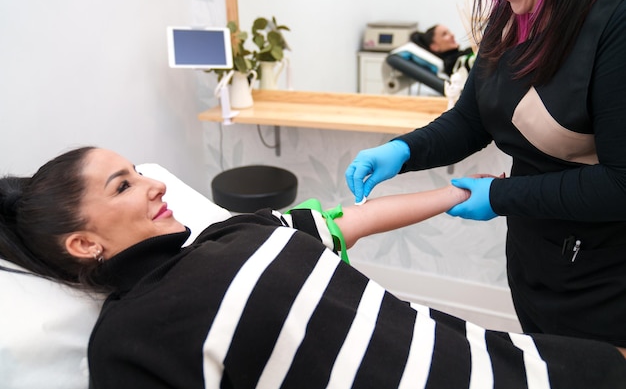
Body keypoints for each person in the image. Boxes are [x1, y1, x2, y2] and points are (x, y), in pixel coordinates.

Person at [1, 147, 625, 389]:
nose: (153, 185)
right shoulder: (128, 339)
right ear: (84, 244)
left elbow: (353, 221)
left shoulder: (232, 231)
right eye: (124, 186)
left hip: (507, 361)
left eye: (138, 172)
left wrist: (463, 195)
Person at [346, 0, 626, 350]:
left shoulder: (615, 18)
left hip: (606, 278)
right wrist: (403, 151)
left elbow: (620, 184)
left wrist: (500, 195)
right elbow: (471, 119)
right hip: (535, 258)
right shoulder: (511, 11)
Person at [410, 24, 475, 76]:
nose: (452, 35)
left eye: (449, 32)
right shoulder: (451, 64)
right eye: (444, 34)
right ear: (435, 47)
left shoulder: (461, 55)